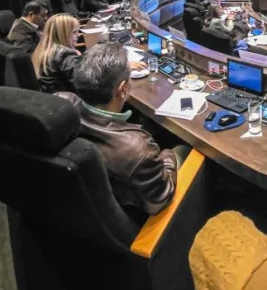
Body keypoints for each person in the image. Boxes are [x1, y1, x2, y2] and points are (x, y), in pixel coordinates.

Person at [56, 42, 182, 217]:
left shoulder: (61, 104)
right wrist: (167, 155)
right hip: (140, 221)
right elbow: (160, 201)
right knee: (182, 149)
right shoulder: (137, 148)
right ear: (122, 89)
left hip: (81, 208)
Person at [33, 14, 82, 93]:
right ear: (62, 34)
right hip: (70, 97)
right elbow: (83, 82)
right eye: (74, 32)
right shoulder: (64, 54)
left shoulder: (43, 50)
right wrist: (80, 59)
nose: (78, 35)